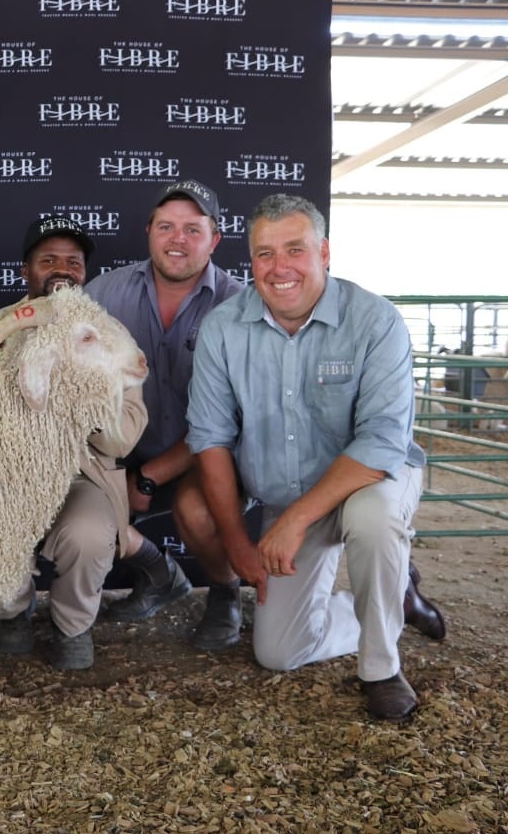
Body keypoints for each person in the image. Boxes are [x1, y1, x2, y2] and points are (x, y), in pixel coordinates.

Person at [185, 193, 444, 720]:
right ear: (250, 259)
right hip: (287, 494)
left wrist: (296, 520)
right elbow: (209, 438)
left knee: (373, 518)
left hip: (368, 481)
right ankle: (391, 602)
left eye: (295, 249)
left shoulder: (376, 320)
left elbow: (380, 442)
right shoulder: (222, 328)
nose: (279, 268)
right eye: (264, 253)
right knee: (278, 653)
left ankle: (381, 667)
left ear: (324, 252)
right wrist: (239, 543)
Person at [0, 215, 148, 670]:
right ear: (26, 270)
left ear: (85, 272)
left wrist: (74, 395)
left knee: (90, 532)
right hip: (4, 475)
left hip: (81, 478)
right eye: (48, 260)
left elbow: (122, 439)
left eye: (73, 261)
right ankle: (13, 611)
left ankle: (72, 625)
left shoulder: (109, 336)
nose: (62, 269)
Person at [84, 179, 247, 648]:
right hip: (121, 447)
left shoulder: (239, 306)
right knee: (75, 500)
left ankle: (225, 592)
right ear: (149, 232)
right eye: (167, 227)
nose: (178, 239)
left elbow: (233, 416)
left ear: (214, 239)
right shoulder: (105, 293)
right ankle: (159, 575)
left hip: (205, 452)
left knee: (197, 510)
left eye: (192, 230)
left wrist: (152, 475)